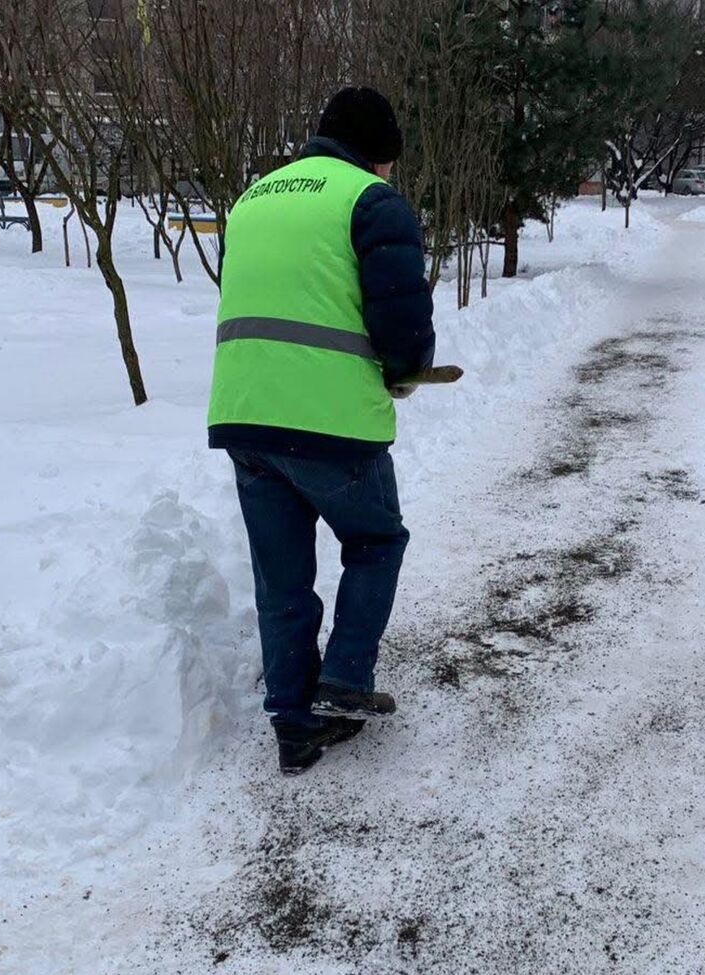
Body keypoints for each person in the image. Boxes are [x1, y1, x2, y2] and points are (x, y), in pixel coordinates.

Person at [207, 87, 436, 775]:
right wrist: (405, 370)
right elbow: (400, 315)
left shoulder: (254, 198)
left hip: (245, 415)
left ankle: (293, 722)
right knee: (375, 540)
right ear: (380, 154)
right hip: (331, 421)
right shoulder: (369, 200)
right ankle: (344, 676)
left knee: (281, 576)